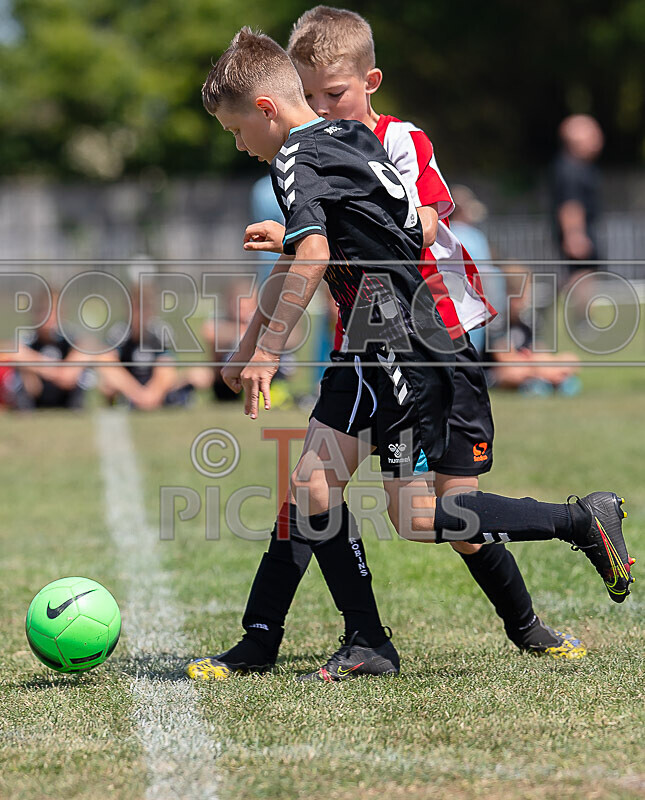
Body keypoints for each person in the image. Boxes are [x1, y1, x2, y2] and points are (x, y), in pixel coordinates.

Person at [186, 27, 633, 683]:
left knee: (344, 493)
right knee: (400, 509)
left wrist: (266, 352)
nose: (238, 146)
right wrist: (253, 340)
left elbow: (317, 254)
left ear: (263, 111)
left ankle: (353, 638)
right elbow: (348, 241)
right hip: (394, 340)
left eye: (233, 131)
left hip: (388, 343)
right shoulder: (351, 143)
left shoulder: (295, 160)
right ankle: (311, 640)